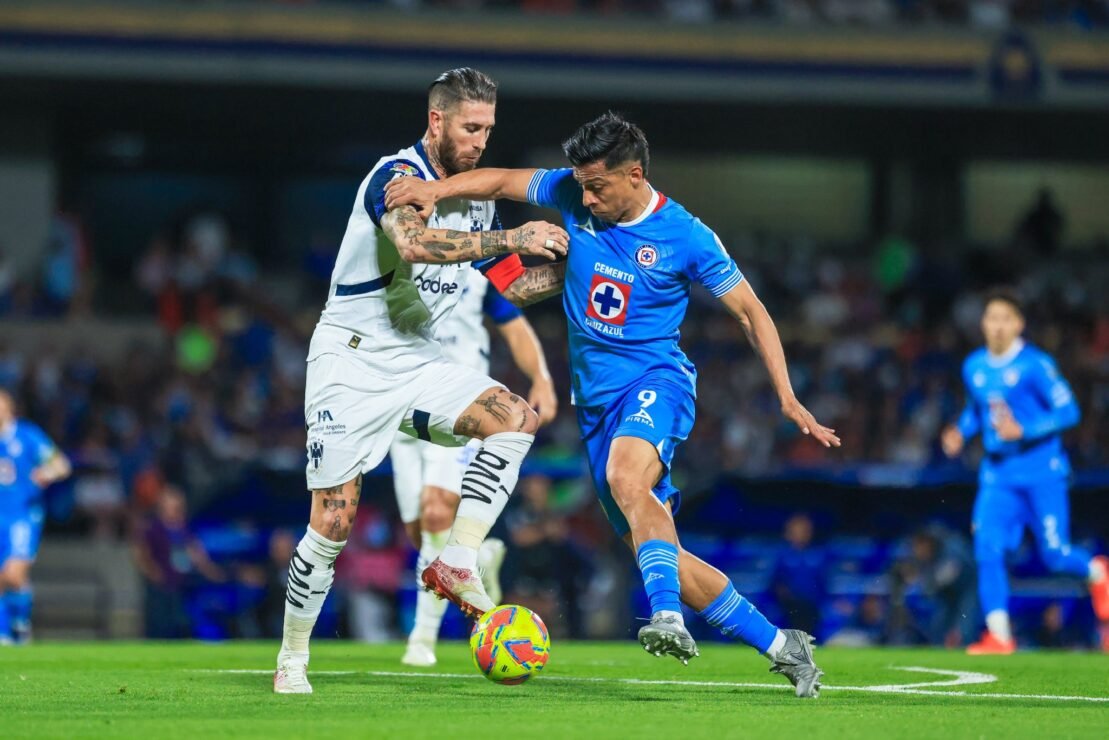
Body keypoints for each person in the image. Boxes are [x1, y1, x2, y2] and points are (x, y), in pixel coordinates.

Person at [386, 111, 839, 698]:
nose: (587, 196)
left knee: (630, 480)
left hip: (657, 382)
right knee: (660, 548)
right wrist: (433, 189)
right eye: (581, 185)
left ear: (633, 173)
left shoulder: (687, 236)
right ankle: (783, 646)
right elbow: (500, 182)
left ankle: (667, 618)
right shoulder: (574, 192)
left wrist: (787, 396)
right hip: (595, 408)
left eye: (598, 186)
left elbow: (751, 311)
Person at [274, 67, 569, 694]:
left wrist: (577, 266)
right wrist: (517, 232)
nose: (481, 141)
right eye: (470, 127)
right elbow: (412, 245)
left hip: (419, 361)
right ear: (437, 121)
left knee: (515, 417)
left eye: (488, 129)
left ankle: (458, 557)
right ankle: (292, 656)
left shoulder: (479, 197)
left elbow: (512, 284)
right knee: (333, 520)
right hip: (349, 363)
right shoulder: (395, 177)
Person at [391, 270, 558, 667]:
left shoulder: (476, 266)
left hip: (459, 406)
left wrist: (542, 378)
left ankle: (421, 640)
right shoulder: (398, 253)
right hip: (402, 401)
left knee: (436, 512)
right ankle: (479, 555)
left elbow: (513, 324)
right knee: (419, 531)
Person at [941, 288, 1109, 655]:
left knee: (1055, 555)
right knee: (987, 547)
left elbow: (1069, 412)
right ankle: (1000, 636)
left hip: (1041, 473)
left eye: (1005, 319)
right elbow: (977, 410)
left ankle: (1097, 571)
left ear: (1019, 324)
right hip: (997, 476)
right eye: (991, 318)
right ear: (983, 324)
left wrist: (1025, 430)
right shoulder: (975, 366)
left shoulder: (1036, 365)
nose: (998, 326)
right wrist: (960, 431)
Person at [0, 388, 72, 644]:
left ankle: (20, 622)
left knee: (13, 574)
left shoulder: (27, 435)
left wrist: (45, 474)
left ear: (9, 407)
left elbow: (62, 465)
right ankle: (6, 633)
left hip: (22, 515)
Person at [132, 484, 227, 639]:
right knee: (159, 623)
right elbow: (141, 552)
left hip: (182, 583)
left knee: (182, 622)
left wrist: (212, 572)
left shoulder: (185, 529)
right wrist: (151, 571)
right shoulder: (152, 528)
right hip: (160, 584)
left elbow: (196, 553)